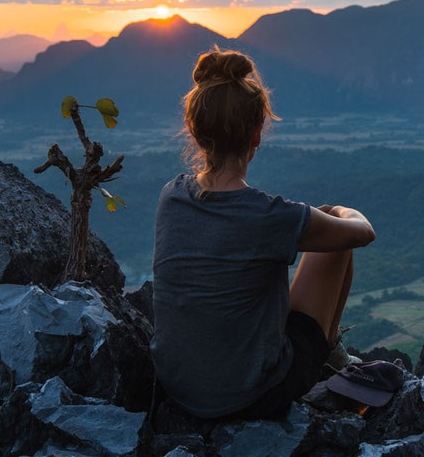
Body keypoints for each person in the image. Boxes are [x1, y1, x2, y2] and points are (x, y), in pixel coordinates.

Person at [150, 47, 376, 420]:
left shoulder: (171, 195)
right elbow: (361, 233)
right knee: (336, 245)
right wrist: (335, 213)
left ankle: (330, 354)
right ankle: (330, 356)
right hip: (250, 395)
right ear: (256, 135)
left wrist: (305, 222)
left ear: (195, 131)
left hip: (178, 386)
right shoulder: (267, 216)